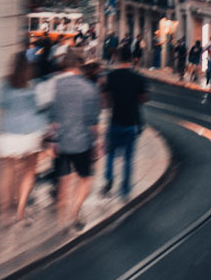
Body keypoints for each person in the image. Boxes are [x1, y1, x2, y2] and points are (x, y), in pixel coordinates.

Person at [49, 51, 101, 228]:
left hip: (61, 141)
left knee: (63, 179)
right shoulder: (89, 88)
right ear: (79, 66)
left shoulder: (56, 86)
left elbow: (53, 117)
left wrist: (52, 140)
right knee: (85, 178)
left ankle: (62, 218)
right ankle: (74, 213)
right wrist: (96, 143)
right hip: (82, 142)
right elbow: (93, 122)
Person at [0, 51, 45, 225]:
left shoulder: (4, 84)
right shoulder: (33, 85)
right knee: (29, 172)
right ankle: (20, 212)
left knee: (7, 173)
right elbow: (39, 108)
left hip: (8, 132)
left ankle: (5, 215)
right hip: (30, 132)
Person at [100, 42, 147, 201]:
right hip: (131, 122)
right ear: (131, 59)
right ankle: (125, 190)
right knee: (128, 158)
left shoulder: (111, 76)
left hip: (115, 121)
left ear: (118, 58)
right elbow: (143, 98)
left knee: (110, 153)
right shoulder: (138, 78)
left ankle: (109, 178)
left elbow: (106, 100)